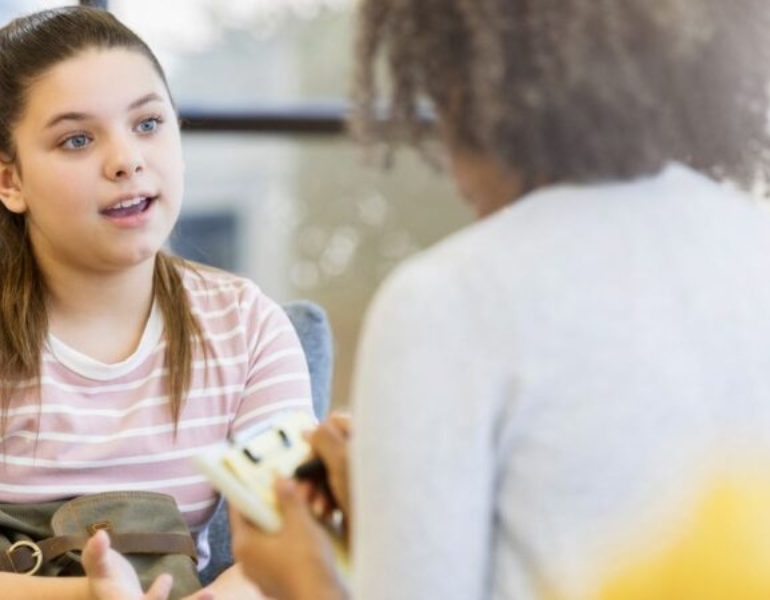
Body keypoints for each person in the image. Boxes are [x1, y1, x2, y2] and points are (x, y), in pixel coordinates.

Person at [230, 1, 770, 599]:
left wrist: (301, 576)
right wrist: (394, 514)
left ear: (466, 81)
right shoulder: (753, 242)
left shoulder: (447, 300)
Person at [0, 6, 314, 600]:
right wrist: (90, 596)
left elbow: (292, 556)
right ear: (8, 180)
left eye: (149, 123)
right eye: (77, 139)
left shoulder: (251, 327)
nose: (126, 159)